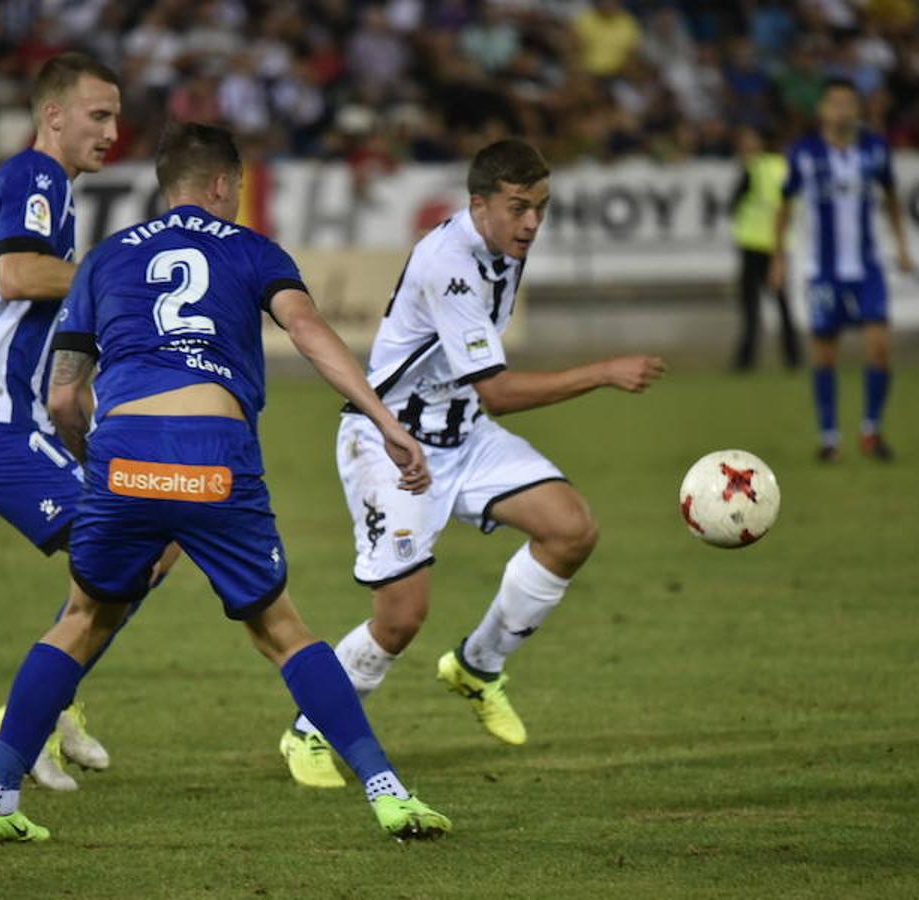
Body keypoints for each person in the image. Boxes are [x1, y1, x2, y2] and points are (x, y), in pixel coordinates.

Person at [0, 122, 453, 844]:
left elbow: (65, 396)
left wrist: (98, 462)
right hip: (214, 454)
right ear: (223, 186)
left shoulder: (104, 259)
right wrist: (383, 420)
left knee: (81, 619)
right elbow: (310, 331)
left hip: (124, 453)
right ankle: (388, 792)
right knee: (282, 631)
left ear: (169, 186)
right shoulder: (253, 249)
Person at [278, 139, 665, 788]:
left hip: (463, 434)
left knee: (570, 529)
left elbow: (479, 397)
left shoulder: (504, 247)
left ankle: (478, 666)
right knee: (400, 619)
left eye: (541, 207)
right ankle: (308, 732)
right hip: (392, 443)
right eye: (518, 208)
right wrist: (601, 370)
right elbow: (499, 391)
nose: (532, 223)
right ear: (477, 204)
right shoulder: (449, 264)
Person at [0, 53, 167, 792]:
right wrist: (113, 277)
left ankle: (45, 706)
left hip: (10, 418)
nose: (113, 132)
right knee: (136, 545)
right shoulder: (35, 177)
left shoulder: (56, 194)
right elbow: (18, 274)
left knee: (148, 547)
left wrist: (82, 424)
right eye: (99, 116)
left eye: (118, 117)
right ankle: (32, 720)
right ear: (52, 115)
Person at [770, 77, 915, 462]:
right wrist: (779, 257)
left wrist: (901, 246)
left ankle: (871, 430)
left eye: (849, 103)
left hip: (868, 266)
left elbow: (892, 196)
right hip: (823, 269)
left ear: (858, 108)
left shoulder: (875, 149)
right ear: (822, 110)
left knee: (879, 349)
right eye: (834, 103)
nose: (842, 110)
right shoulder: (804, 153)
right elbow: (784, 206)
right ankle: (830, 436)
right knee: (824, 355)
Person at [730, 124, 800, 370]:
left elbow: (734, 203)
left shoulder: (754, 168)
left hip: (752, 245)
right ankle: (793, 358)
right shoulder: (785, 167)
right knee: (782, 305)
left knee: (751, 307)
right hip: (778, 246)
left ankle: (745, 361)